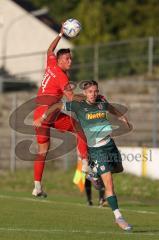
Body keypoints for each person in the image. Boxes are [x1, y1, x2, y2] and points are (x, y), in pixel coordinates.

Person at [33, 80, 132, 231]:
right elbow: (57, 105)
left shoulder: (101, 101)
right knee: (109, 184)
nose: (93, 94)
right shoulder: (78, 105)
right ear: (85, 93)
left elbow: (110, 107)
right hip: (97, 150)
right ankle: (119, 217)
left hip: (110, 144)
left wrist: (122, 117)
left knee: (119, 169)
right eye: (90, 92)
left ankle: (94, 173)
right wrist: (44, 116)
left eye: (95, 91)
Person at [32, 24, 88, 197]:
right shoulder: (61, 76)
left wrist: (60, 34)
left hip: (38, 113)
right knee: (79, 128)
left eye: (71, 58)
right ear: (60, 60)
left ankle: (37, 187)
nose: (70, 61)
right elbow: (71, 98)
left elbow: (50, 49)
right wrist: (88, 97)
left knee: (42, 151)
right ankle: (85, 163)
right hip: (50, 113)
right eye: (68, 59)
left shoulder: (51, 64)